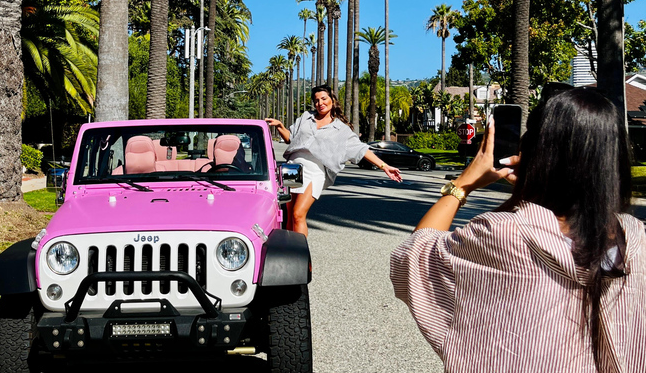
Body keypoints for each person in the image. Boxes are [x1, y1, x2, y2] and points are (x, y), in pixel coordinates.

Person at [390, 87, 646, 372]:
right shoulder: (636, 238)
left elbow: (414, 256)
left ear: (535, 149)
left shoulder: (506, 234)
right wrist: (538, 189)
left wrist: (463, 185)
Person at [265, 85, 402, 236]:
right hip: (292, 167)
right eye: (316, 100)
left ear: (332, 100)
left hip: (315, 171)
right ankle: (289, 253)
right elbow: (290, 138)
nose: (320, 103)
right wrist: (280, 126)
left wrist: (384, 166)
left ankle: (301, 257)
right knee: (289, 214)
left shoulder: (340, 129)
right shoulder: (306, 117)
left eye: (324, 99)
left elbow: (361, 149)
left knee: (298, 214)